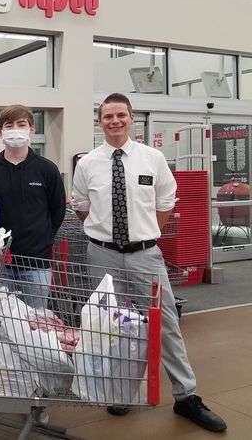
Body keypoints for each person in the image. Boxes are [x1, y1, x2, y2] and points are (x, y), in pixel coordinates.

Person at [71, 92, 226, 433]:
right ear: (100, 122)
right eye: (108, 116)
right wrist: (107, 233)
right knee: (110, 326)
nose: (115, 121)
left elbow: (166, 200)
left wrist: (144, 232)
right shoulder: (87, 164)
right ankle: (121, 392)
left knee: (165, 323)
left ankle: (186, 396)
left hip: (145, 256)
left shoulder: (152, 158)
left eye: (121, 115)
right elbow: (82, 206)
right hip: (102, 255)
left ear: (131, 118)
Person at [0, 105, 66, 309]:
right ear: (0, 132)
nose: (15, 130)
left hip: (37, 264)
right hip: (0, 263)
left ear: (31, 129)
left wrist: (42, 239)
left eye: (21, 124)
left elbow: (58, 211)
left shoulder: (47, 169)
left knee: (35, 321)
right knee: (1, 320)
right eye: (9, 126)